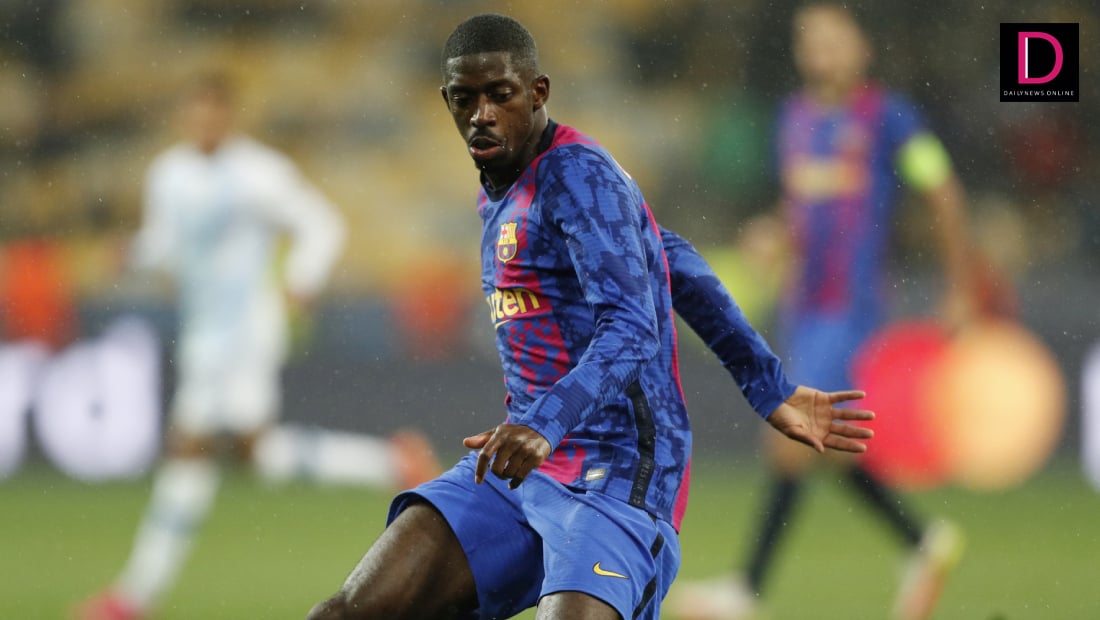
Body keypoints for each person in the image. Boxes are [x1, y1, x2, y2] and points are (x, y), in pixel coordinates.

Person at [306, 14, 874, 620]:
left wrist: (546, 425)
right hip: (520, 467)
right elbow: (670, 258)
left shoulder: (577, 175)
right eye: (465, 99)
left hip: (617, 473)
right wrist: (768, 385)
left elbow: (632, 329)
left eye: (500, 95)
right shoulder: (502, 186)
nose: (482, 115)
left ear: (538, 92)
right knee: (345, 614)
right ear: (446, 101)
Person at [75, 72, 441, 620]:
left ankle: (133, 596)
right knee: (254, 455)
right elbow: (168, 244)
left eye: (213, 112)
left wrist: (302, 277)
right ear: (184, 117)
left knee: (189, 449)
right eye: (195, 112)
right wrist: (135, 253)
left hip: (249, 330)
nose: (204, 122)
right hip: (203, 332)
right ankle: (389, 462)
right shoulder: (169, 174)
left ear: (229, 115)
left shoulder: (258, 174)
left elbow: (321, 223)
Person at [667, 4, 973, 620]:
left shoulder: (888, 117)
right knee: (821, 441)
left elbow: (940, 187)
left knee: (790, 434)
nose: (824, 51)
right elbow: (801, 209)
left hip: (849, 306)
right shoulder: (795, 120)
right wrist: (773, 235)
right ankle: (922, 542)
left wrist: (960, 285)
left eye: (836, 39)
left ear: (863, 48)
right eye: (813, 41)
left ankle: (747, 590)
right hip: (802, 304)